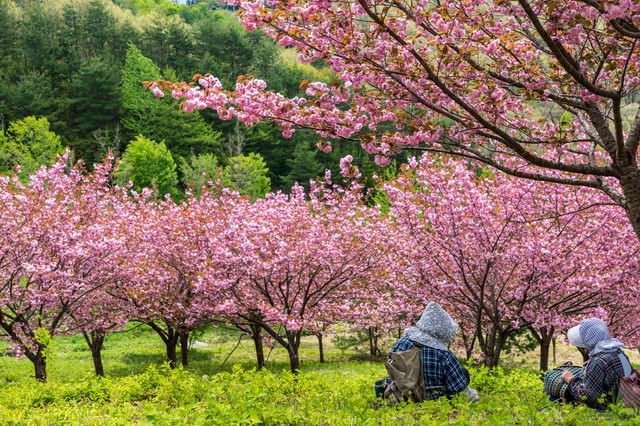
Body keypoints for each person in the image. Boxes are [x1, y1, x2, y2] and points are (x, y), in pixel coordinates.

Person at [389, 301, 479, 402]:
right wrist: (474, 396)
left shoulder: (401, 343)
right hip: (432, 402)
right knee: (463, 373)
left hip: (401, 396)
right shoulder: (444, 355)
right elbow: (461, 390)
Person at [561, 318, 633, 410]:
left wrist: (570, 380)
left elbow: (587, 396)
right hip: (629, 402)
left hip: (610, 411)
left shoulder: (598, 362)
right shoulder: (618, 352)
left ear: (589, 340)